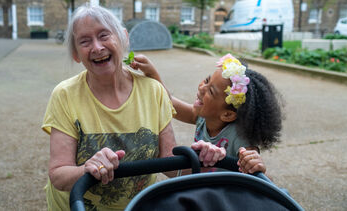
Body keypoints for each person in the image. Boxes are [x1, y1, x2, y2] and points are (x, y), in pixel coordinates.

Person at [42, 4, 225, 211]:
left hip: (136, 206)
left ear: (123, 38)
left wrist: (203, 159)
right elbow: (58, 174)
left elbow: (169, 163)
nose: (97, 47)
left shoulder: (153, 91)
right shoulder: (65, 95)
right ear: (76, 54)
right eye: (85, 41)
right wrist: (87, 168)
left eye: (104, 35)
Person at [130, 53, 284, 174]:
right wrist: (152, 72)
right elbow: (168, 100)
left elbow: (253, 162)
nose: (202, 87)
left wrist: (254, 162)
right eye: (207, 80)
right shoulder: (201, 118)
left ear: (227, 115)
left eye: (211, 91)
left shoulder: (239, 138)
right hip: (204, 190)